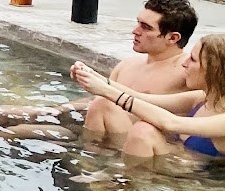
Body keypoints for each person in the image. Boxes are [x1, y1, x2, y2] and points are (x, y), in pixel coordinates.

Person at [70, 34, 225, 162]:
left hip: (195, 183)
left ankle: (121, 182)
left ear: (214, 70)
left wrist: (105, 89)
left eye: (193, 59)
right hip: (171, 162)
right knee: (103, 104)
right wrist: (92, 76)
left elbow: (170, 123)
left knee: (143, 131)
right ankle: (91, 162)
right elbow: (140, 98)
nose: (184, 63)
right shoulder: (201, 98)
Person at [82, 0, 196, 145]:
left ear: (173, 38)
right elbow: (95, 100)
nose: (135, 31)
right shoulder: (127, 65)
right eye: (138, 23)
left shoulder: (187, 71)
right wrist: (58, 109)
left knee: (102, 103)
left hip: (144, 148)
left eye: (146, 28)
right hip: (102, 138)